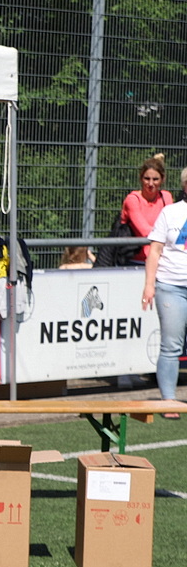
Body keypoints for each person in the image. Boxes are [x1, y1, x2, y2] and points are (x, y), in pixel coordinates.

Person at [141, 164, 187, 417]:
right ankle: (168, 401)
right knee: (171, 345)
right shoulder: (170, 213)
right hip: (171, 286)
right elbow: (155, 251)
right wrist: (149, 285)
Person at [118, 154, 174, 264]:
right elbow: (145, 231)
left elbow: (172, 226)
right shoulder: (132, 199)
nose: (151, 184)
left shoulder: (166, 197)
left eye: (155, 179)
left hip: (162, 260)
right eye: (147, 179)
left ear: (162, 179)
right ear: (141, 178)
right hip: (135, 261)